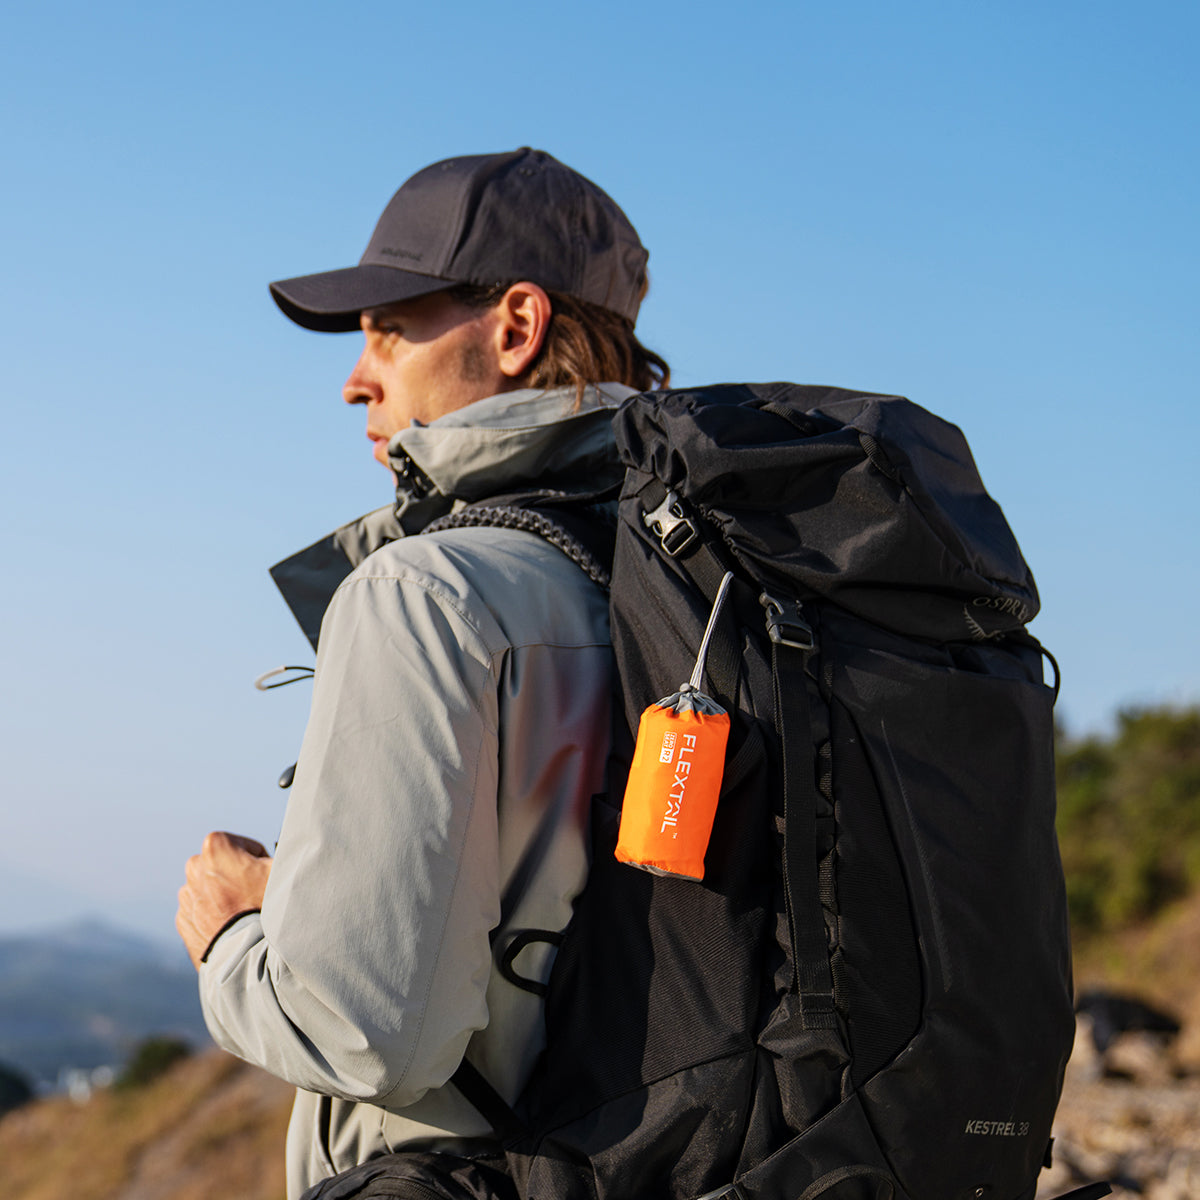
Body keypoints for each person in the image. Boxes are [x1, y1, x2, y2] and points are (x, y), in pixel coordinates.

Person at [175, 147, 669, 1199]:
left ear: (517, 327)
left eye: (391, 327)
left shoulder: (429, 593)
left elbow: (365, 1034)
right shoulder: (682, 576)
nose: (358, 376)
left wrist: (234, 933)